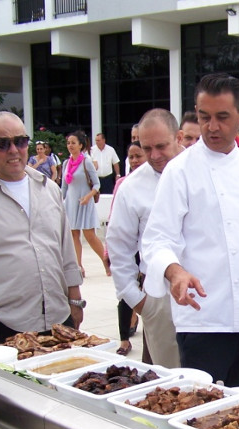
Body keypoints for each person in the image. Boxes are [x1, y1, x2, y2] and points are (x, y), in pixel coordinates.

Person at [142, 73, 239, 386]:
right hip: (202, 319)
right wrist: (175, 272)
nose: (211, 127)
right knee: (199, 412)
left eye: (222, 117)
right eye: (204, 116)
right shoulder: (180, 171)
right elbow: (156, 240)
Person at [0, 111, 84, 346]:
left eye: (20, 141)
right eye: (2, 144)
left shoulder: (48, 189)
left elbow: (66, 251)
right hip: (6, 327)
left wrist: (75, 301)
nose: (13, 150)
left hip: (59, 321)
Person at [108, 110, 184, 368]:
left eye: (161, 146)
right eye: (146, 147)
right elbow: (118, 247)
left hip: (209, 294)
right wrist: (139, 302)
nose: (153, 156)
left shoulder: (203, 173)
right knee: (171, 386)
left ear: (179, 138)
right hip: (160, 296)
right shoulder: (132, 187)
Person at [105, 141, 145, 356]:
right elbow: (114, 221)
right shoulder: (123, 183)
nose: (135, 160)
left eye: (139, 155)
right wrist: (107, 252)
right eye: (131, 157)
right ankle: (124, 339)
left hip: (146, 250)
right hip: (130, 249)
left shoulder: (159, 182)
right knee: (125, 295)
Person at [61, 130, 108, 278]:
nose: (70, 145)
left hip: (85, 203)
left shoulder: (86, 161)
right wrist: (60, 203)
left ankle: (107, 262)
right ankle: (78, 267)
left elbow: (96, 184)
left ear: (81, 145)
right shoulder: (66, 164)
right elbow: (64, 187)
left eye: (73, 143)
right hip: (71, 203)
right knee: (74, 234)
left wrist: (88, 197)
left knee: (90, 235)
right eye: (68, 143)